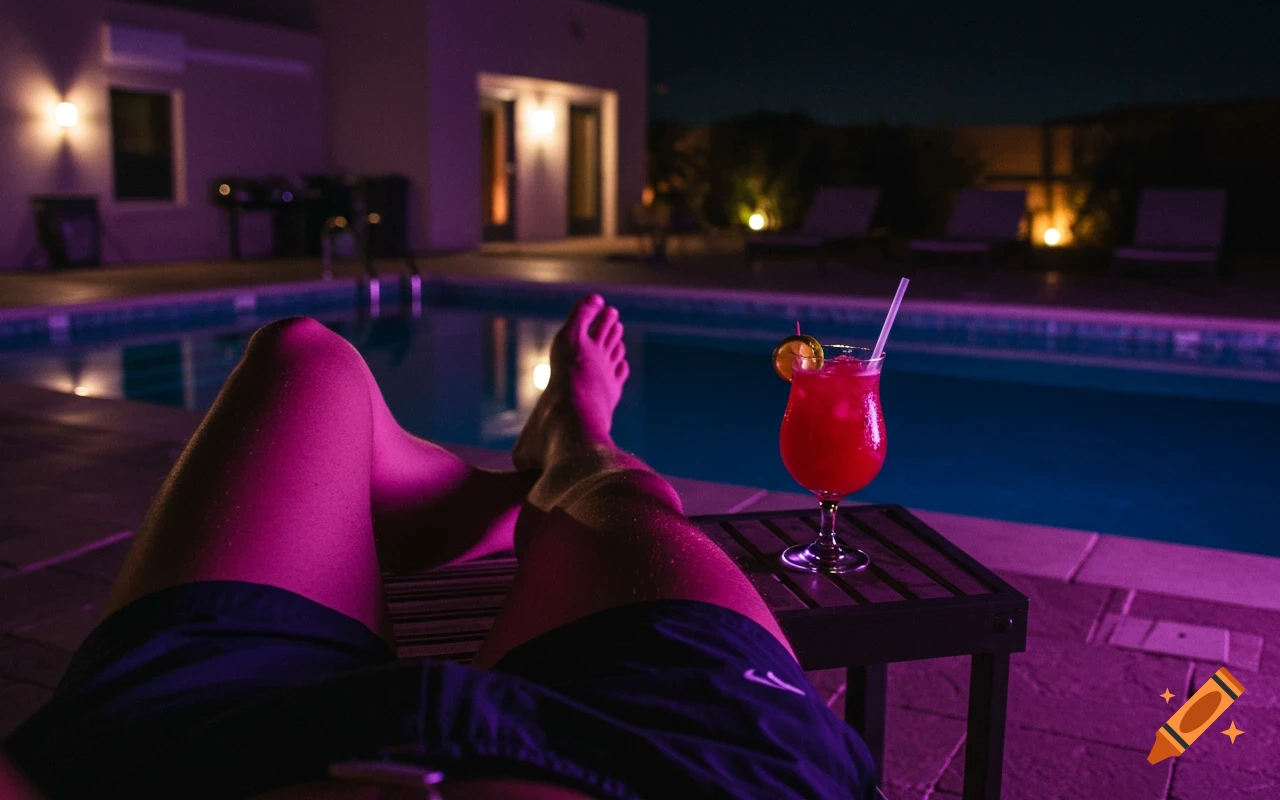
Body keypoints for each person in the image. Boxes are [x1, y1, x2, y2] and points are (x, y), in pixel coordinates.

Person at [4, 295, 874, 799]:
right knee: (630, 495)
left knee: (306, 361)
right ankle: (568, 452)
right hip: (689, 770)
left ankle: (529, 479)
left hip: (183, 756)